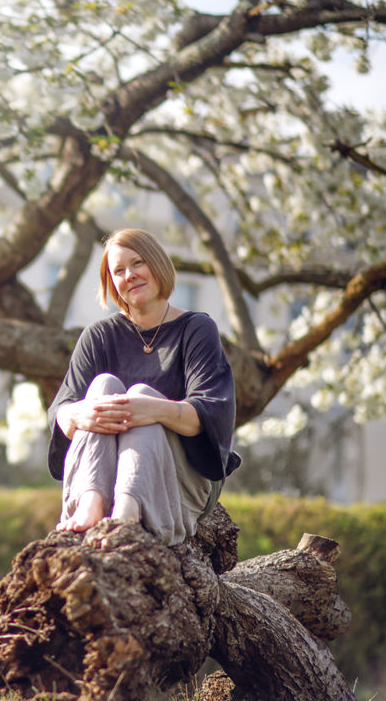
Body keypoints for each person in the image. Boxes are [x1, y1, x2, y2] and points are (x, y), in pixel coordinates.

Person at [46, 228, 240, 544]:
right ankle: (91, 501)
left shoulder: (196, 329)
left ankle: (127, 510)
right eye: (118, 271)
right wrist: (81, 415)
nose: (130, 275)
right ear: (112, 283)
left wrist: (152, 408)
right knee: (103, 386)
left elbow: (210, 415)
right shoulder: (99, 336)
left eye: (137, 263)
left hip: (179, 481)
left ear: (157, 264)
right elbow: (60, 413)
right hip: (104, 475)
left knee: (140, 395)